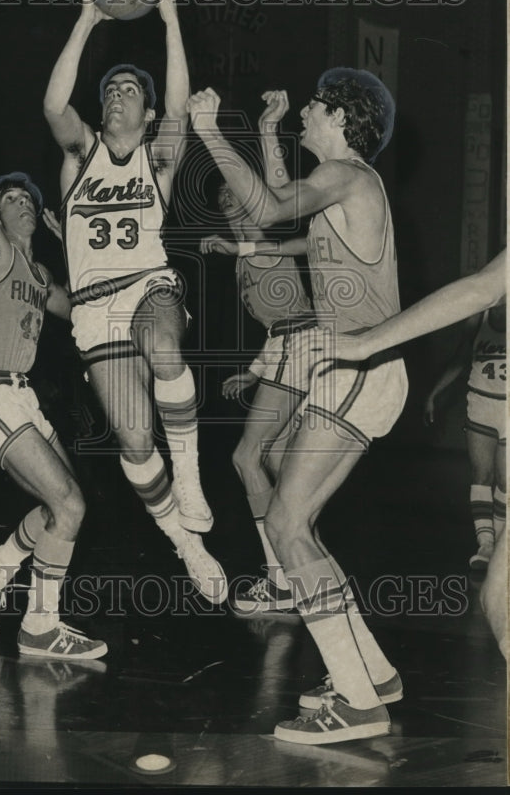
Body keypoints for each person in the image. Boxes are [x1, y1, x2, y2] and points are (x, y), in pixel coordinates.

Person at [189, 69, 406, 745]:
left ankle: (358, 703)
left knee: (285, 522)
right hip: (356, 371)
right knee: (297, 522)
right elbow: (276, 207)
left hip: (356, 367)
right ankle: (370, 673)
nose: (305, 113)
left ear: (341, 119)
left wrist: (208, 132)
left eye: (314, 106)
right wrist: (257, 135)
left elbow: (274, 207)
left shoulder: (349, 175)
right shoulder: (341, 188)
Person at [42, 0, 226, 605]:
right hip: (93, 311)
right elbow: (52, 105)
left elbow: (180, 104)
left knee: (166, 348)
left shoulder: (157, 156)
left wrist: (172, 16)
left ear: (146, 115)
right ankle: (187, 544)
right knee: (135, 440)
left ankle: (194, 478)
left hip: (148, 284)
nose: (116, 93)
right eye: (111, 88)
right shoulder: (79, 156)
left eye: (129, 90)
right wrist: (88, 19)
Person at [0, 25, 107, 661]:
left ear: (33, 215)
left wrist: (73, 235)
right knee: (67, 503)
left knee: (63, 504)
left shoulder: (39, 278)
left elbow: (86, 303)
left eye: (20, 198)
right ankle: (40, 627)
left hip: (22, 398)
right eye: (4, 197)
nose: (9, 201)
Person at [307, 248, 507, 660]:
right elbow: (479, 291)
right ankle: (485, 546)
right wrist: (367, 344)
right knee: (496, 593)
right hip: (484, 397)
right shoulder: (488, 298)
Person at [199, 91, 316, 615]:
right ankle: (300, 569)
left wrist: (269, 129)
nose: (230, 202)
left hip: (306, 341)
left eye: (236, 196)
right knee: (273, 462)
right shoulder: (241, 259)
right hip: (292, 346)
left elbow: (304, 244)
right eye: (222, 200)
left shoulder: (264, 233)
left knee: (245, 456)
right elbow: (276, 325)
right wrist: (251, 373)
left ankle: (279, 580)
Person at [423, 304, 506, 571]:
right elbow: (461, 355)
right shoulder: (480, 312)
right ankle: (485, 546)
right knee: (481, 476)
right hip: (481, 403)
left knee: (506, 481)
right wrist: (436, 392)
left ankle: (503, 550)